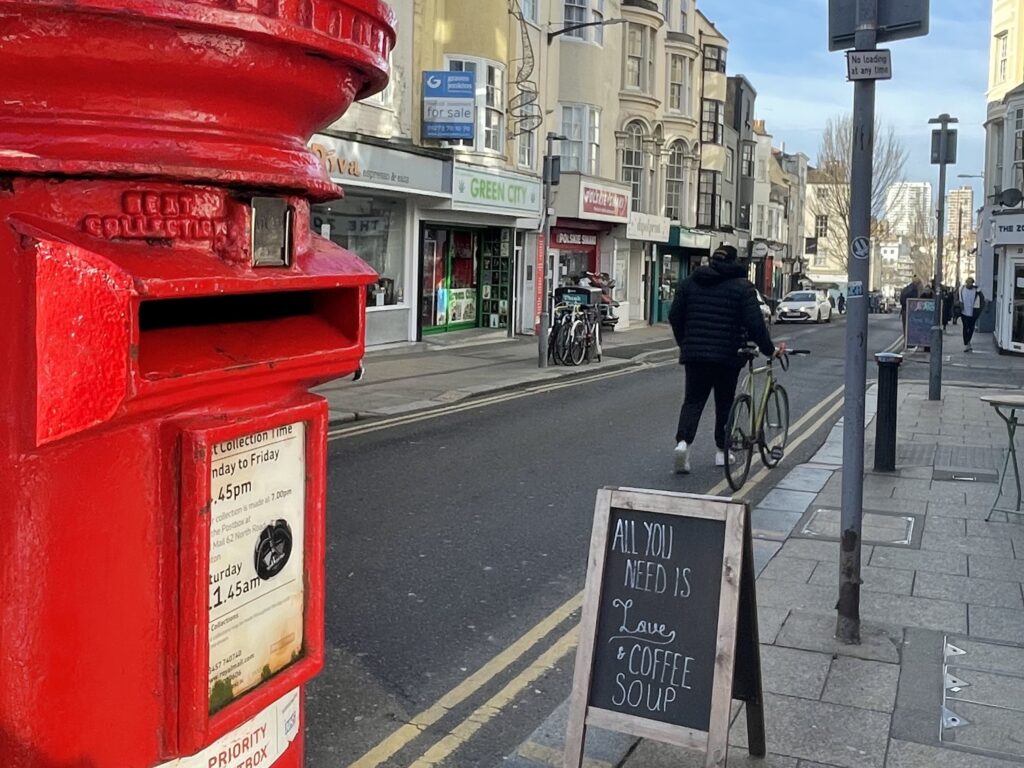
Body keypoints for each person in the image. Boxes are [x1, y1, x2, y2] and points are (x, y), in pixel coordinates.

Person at [669, 244, 778, 474]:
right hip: (728, 355)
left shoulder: (689, 283)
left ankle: (683, 444)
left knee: (693, 401)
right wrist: (769, 350)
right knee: (725, 403)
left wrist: (685, 343)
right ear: (734, 261)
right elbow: (755, 324)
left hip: (695, 355)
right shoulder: (742, 287)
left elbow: (674, 316)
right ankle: (722, 451)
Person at [959, 277, 985, 352]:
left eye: (970, 283)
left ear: (973, 283)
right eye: (967, 282)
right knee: (965, 327)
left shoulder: (976, 291)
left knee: (971, 328)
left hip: (973, 313)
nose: (969, 284)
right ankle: (966, 344)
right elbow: (959, 298)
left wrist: (980, 310)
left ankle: (968, 342)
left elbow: (982, 300)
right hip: (964, 312)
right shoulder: (962, 289)